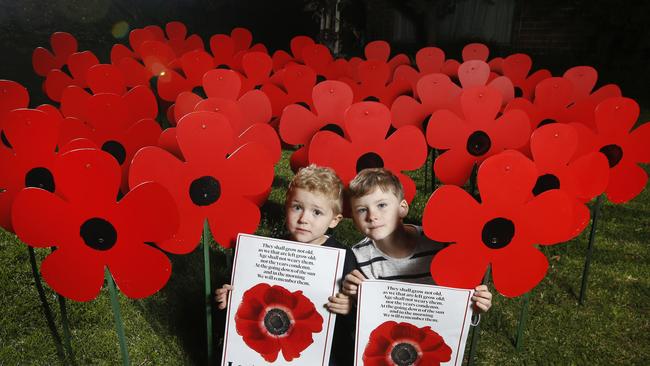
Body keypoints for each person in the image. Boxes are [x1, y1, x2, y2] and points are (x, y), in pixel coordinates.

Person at [215, 164, 357, 365]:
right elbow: (250, 295)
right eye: (297, 207)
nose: (304, 219)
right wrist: (232, 297)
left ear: (334, 220)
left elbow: (357, 315)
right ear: (286, 206)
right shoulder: (268, 249)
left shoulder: (343, 257)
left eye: (317, 212)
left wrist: (350, 307)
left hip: (319, 351)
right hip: (267, 341)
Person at [342, 168, 493, 313]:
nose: (372, 216)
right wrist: (355, 297)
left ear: (402, 209)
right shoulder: (357, 257)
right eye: (362, 210)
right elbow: (369, 313)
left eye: (382, 205)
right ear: (354, 221)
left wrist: (475, 304)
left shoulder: (439, 243)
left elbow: (457, 301)